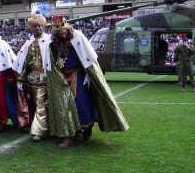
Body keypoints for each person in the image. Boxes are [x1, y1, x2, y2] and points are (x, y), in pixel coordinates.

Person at [48, 15, 129, 148]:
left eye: (63, 28)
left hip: (78, 74)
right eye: (58, 29)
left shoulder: (77, 37)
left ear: (67, 26)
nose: (62, 32)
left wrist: (88, 75)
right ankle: (68, 136)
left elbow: (88, 57)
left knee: (81, 104)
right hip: (61, 76)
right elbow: (50, 59)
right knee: (63, 106)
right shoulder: (53, 42)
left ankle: (86, 127)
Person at [14, 14, 50, 142]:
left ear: (43, 26)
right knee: (36, 104)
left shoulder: (49, 40)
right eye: (34, 26)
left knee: (41, 104)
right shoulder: (28, 42)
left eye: (38, 26)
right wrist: (21, 76)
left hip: (46, 78)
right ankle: (44, 127)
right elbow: (23, 61)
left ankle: (40, 131)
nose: (36, 28)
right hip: (31, 79)